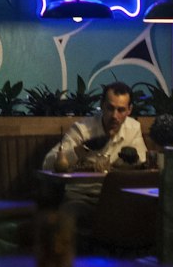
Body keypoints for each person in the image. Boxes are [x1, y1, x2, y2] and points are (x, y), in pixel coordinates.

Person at [40, 82, 148, 244]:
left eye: (121, 110)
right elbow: (48, 164)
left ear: (129, 110)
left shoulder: (133, 128)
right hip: (82, 197)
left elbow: (143, 160)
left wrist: (133, 158)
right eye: (110, 108)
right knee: (67, 218)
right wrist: (82, 149)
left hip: (117, 198)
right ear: (102, 106)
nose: (115, 116)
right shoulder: (82, 129)